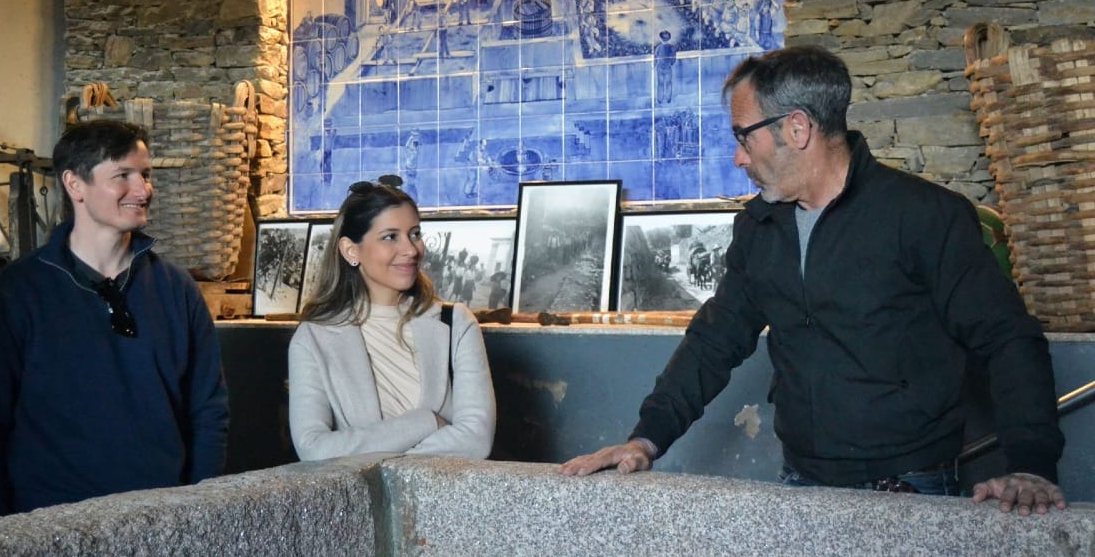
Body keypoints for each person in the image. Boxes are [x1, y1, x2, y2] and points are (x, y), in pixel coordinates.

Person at [560, 46, 1067, 516]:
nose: (739, 157)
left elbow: (1007, 339)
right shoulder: (760, 225)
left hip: (912, 488)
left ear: (797, 129)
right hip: (801, 480)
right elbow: (715, 339)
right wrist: (645, 440)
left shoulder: (925, 216)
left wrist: (1031, 464)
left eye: (743, 136)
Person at [0, 120, 229, 522]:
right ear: (75, 185)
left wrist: (198, 511)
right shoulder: (16, 295)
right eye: (123, 175)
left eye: (146, 174)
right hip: (50, 526)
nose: (143, 190)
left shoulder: (176, 287)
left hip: (163, 522)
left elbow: (209, 410)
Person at [288, 176, 495, 461]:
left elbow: (476, 441)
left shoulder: (454, 323)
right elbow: (314, 450)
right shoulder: (314, 337)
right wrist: (426, 422)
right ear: (351, 250)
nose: (411, 250)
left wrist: (366, 454)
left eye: (415, 233)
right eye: (390, 237)